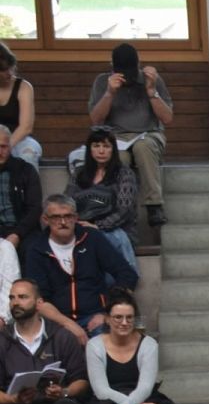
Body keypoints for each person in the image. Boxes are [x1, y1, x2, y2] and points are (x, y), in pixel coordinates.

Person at [21, 192, 139, 341]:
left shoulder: (92, 238)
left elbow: (127, 274)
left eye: (68, 216)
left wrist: (107, 313)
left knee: (108, 336)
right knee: (61, 343)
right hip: (57, 320)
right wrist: (70, 325)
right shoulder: (36, 248)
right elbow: (39, 299)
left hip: (96, 315)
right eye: (56, 217)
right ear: (45, 220)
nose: (63, 222)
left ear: (76, 218)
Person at [83, 42, 172, 233]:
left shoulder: (151, 79)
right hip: (115, 136)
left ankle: (154, 205)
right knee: (119, 157)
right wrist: (109, 93)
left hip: (149, 133)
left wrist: (151, 91)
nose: (128, 77)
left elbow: (167, 118)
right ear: (113, 68)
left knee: (143, 147)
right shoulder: (102, 81)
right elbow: (96, 120)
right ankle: (120, 209)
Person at [69, 127, 140, 268]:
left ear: (113, 150)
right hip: (82, 227)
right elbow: (68, 201)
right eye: (96, 146)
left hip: (114, 229)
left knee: (106, 239)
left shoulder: (124, 174)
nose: (101, 151)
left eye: (106, 146)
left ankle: (124, 281)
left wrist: (98, 226)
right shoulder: (79, 173)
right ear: (90, 149)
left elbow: (125, 210)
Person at [0, 124, 43, 246]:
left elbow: (35, 208)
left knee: (33, 249)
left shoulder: (26, 170)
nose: (0, 151)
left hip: (22, 231)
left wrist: (17, 234)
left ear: (10, 146)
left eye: (3, 146)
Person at [0, 42, 40, 166]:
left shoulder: (24, 87)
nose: (10, 73)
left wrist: (5, 147)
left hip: (19, 139)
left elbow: (26, 127)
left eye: (11, 67)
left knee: (28, 155)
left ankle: (28, 185)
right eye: (5, 70)